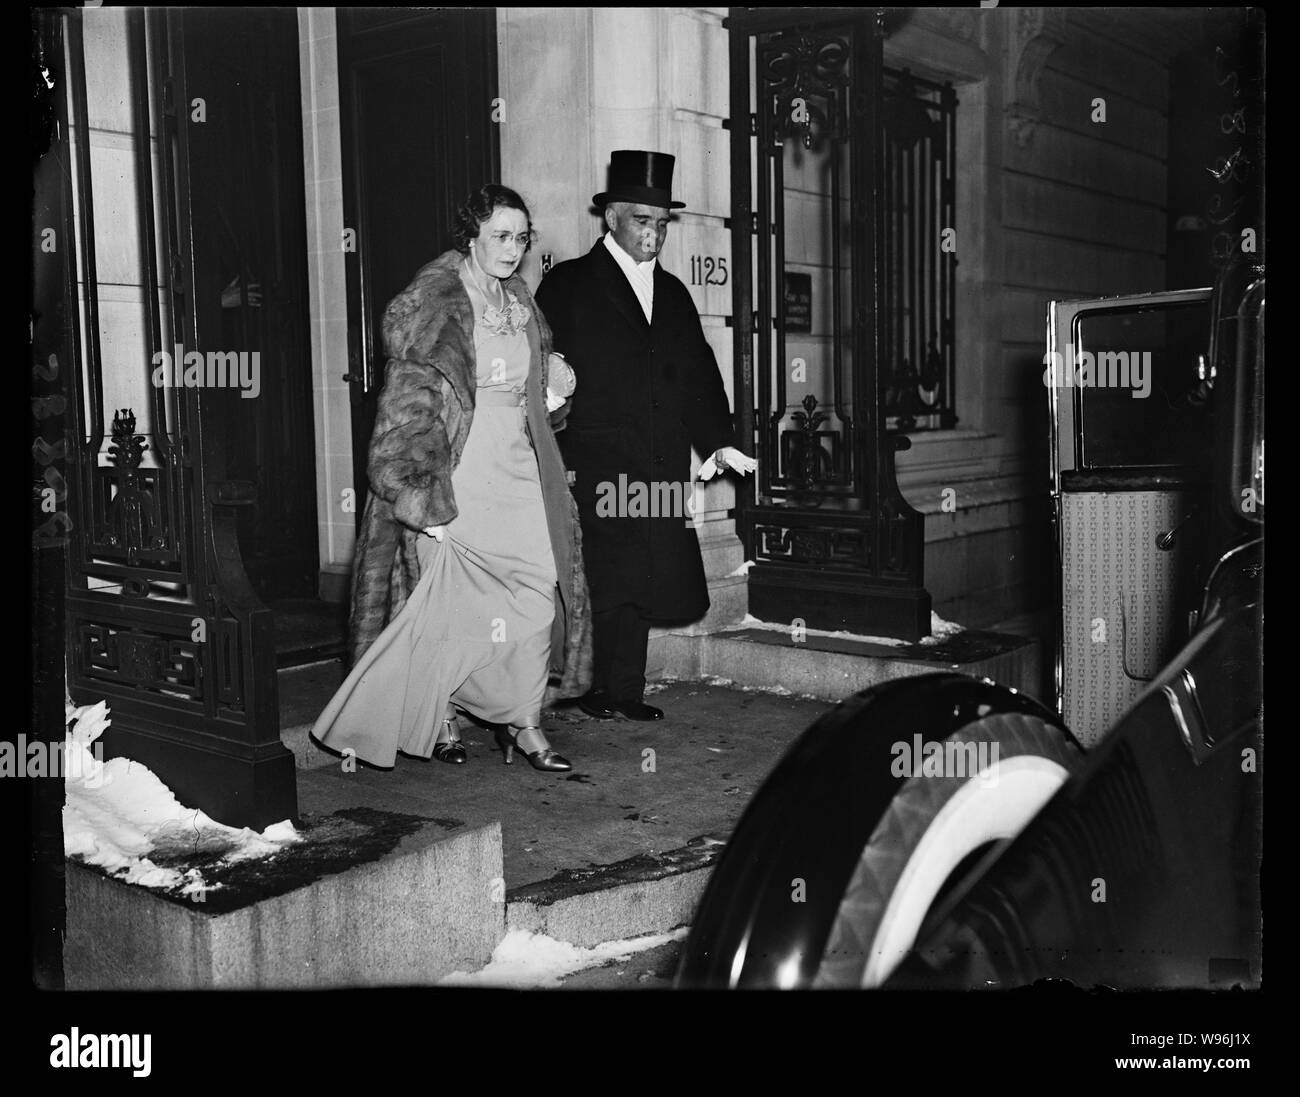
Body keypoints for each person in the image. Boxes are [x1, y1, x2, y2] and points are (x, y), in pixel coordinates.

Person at [312, 185, 592, 771]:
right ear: (471, 236)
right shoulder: (433, 303)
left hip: (520, 471)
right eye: (500, 236)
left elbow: (530, 399)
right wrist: (421, 496)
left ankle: (523, 719)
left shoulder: (521, 301)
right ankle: (442, 717)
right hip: (457, 474)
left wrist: (552, 384)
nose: (513, 249)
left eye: (521, 237)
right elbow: (407, 414)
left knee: (538, 591)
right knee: (448, 604)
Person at [536, 150, 755, 722]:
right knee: (601, 575)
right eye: (642, 221)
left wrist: (719, 440)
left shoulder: (675, 293)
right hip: (595, 458)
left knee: (641, 575)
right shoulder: (569, 283)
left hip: (656, 461)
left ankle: (623, 692)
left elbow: (699, 374)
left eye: (661, 224)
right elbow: (540, 368)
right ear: (611, 217)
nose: (654, 235)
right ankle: (584, 689)